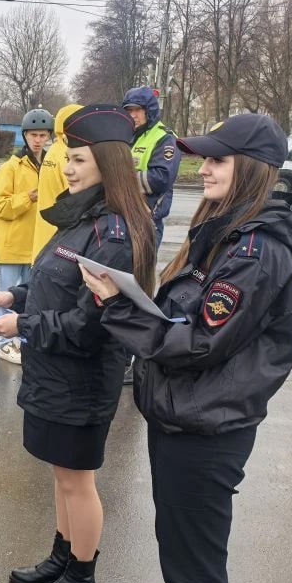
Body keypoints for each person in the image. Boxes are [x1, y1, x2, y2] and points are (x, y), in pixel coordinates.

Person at [80, 113, 292, 583]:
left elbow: (200, 342)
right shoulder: (224, 232)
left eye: (217, 160)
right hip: (184, 415)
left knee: (197, 558)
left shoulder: (256, 250)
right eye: (203, 158)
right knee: (178, 544)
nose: (203, 169)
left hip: (209, 426)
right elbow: (182, 316)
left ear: (251, 169)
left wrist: (117, 308)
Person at [0, 105, 157, 583]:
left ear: (108, 164)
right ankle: (63, 556)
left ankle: (81, 579)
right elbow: (52, 281)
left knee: (78, 481)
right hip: (55, 372)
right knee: (63, 475)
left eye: (78, 160)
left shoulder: (113, 234)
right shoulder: (84, 217)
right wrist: (14, 296)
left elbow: (89, 325)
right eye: (67, 159)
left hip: (81, 377)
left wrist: (23, 325)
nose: (68, 169)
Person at [121, 87, 182, 384]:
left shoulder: (164, 139)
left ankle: (135, 360)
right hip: (122, 220)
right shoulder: (126, 136)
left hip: (146, 224)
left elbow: (160, 178)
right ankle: (119, 356)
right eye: (128, 110)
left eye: (137, 110)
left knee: (138, 291)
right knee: (118, 289)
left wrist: (119, 177)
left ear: (149, 111)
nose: (132, 115)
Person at [0, 107, 54, 365]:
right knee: (4, 298)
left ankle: (24, 340)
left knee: (31, 298)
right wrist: (28, 197)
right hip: (12, 245)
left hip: (38, 246)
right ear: (25, 135)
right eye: (33, 135)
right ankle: (3, 344)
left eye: (43, 135)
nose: (38, 140)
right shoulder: (10, 168)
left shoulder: (50, 166)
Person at [30, 103, 82, 260]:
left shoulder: (54, 150)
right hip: (60, 240)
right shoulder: (69, 154)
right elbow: (78, 198)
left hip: (44, 236)